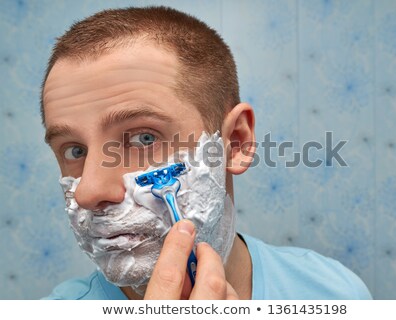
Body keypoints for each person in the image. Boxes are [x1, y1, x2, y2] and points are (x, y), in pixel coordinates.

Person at [41, 6, 372, 300]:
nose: (88, 191)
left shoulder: (334, 293)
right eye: (74, 149)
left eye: (143, 138)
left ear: (235, 142)